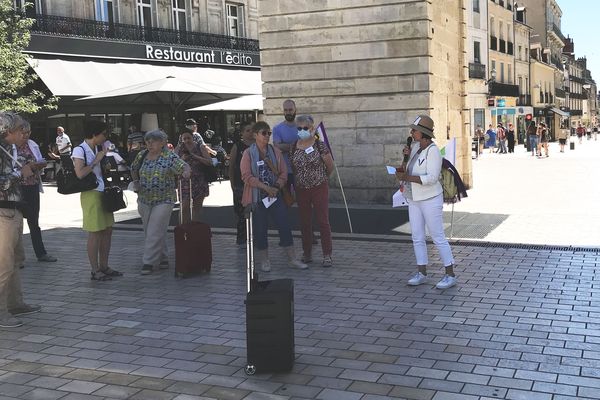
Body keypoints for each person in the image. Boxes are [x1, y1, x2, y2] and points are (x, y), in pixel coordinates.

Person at [395, 115, 456, 289]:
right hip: (413, 198)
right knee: (417, 236)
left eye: (414, 130)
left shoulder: (433, 151)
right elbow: (406, 169)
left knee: (437, 236)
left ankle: (450, 274)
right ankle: (421, 272)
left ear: (423, 133)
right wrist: (403, 164)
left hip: (430, 199)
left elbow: (431, 178)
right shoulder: (414, 149)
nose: (411, 133)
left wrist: (407, 177)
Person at [240, 121, 307, 272]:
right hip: (258, 197)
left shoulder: (274, 151)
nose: (267, 136)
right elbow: (246, 176)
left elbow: (283, 172)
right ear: (256, 135)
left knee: (284, 226)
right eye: (264, 133)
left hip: (275, 195)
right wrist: (266, 188)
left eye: (269, 133)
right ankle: (265, 260)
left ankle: (292, 259)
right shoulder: (248, 153)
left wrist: (276, 187)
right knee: (261, 229)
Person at [0, 112, 41, 328]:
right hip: (2, 213)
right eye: (19, 130)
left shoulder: (8, 151)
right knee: (3, 265)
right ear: (8, 131)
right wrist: (21, 174)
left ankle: (14, 303)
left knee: (16, 260)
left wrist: (28, 169)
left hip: (13, 210)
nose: (23, 133)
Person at [131, 129, 191, 275]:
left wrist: (186, 172)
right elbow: (133, 168)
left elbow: (184, 166)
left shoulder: (169, 156)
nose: (150, 144)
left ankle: (149, 262)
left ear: (163, 142)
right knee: (151, 230)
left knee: (154, 230)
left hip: (164, 199)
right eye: (148, 141)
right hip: (144, 198)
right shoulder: (142, 154)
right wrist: (136, 181)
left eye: (154, 141)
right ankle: (163, 257)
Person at [72, 120, 122, 281]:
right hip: (91, 193)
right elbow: (80, 173)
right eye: (104, 134)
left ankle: (104, 266)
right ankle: (95, 269)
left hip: (104, 191)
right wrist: (96, 160)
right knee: (95, 232)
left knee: (107, 230)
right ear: (95, 134)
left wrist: (104, 161)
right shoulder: (80, 150)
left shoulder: (98, 148)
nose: (105, 137)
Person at [290, 115, 335, 267]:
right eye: (299, 128)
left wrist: (323, 178)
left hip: (319, 187)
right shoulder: (293, 146)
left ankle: (327, 254)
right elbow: (294, 167)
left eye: (304, 128)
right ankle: (307, 253)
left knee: (323, 221)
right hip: (302, 189)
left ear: (311, 128)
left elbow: (330, 166)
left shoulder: (319, 145)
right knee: (305, 223)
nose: (301, 131)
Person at [16, 120, 57, 263]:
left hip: (31, 186)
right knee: (16, 223)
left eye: (28, 132)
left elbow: (40, 161)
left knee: (34, 221)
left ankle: (41, 253)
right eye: (23, 132)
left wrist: (37, 165)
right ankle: (17, 258)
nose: (26, 135)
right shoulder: (9, 147)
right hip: (15, 189)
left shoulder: (32, 145)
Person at [175, 128, 212, 224]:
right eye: (184, 138)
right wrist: (182, 159)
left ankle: (195, 230)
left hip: (199, 180)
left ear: (193, 137)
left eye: (189, 138)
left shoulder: (200, 147)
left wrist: (195, 156)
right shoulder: (179, 148)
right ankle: (183, 229)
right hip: (184, 180)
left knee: (197, 207)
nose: (187, 141)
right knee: (184, 206)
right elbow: (173, 164)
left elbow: (209, 162)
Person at [228, 122, 254, 246]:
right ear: (242, 133)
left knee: (255, 213)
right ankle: (242, 239)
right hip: (240, 185)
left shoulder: (258, 145)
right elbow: (232, 166)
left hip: (255, 184)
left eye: (252, 130)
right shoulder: (237, 146)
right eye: (247, 130)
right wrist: (232, 184)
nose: (250, 133)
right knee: (241, 214)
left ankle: (254, 237)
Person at [272, 99, 298, 195]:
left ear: (296, 110)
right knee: (285, 201)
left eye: (290, 110)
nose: (288, 112)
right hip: (284, 171)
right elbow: (277, 147)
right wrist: (298, 145)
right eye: (286, 110)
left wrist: (284, 145)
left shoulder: (302, 127)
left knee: (303, 201)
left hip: (301, 170)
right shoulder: (277, 129)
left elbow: (307, 145)